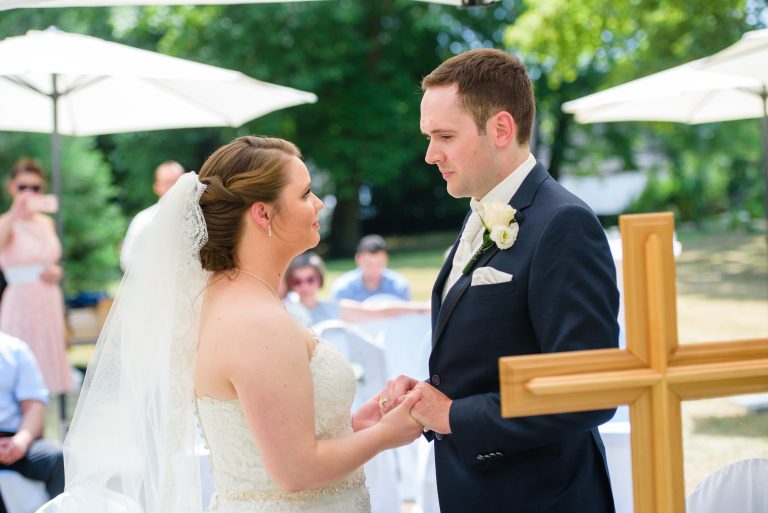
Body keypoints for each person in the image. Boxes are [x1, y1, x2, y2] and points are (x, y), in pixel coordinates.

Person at [37, 136, 423, 513]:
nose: (318, 203)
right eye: (305, 194)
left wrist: (358, 425)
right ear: (263, 213)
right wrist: (387, 435)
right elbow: (294, 470)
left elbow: (268, 441)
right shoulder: (255, 322)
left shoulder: (229, 300)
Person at [381, 48, 620, 513]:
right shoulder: (480, 213)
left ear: (501, 129)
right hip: (475, 489)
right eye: (428, 137)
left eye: (444, 135)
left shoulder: (563, 223)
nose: (431, 155)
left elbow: (591, 390)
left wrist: (454, 415)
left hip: (540, 496)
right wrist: (432, 396)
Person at [0, 158, 72, 397]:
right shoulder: (6, 222)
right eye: (23, 187)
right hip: (20, 299)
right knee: (17, 360)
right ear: (11, 187)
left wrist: (56, 271)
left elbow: (50, 258)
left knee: (48, 360)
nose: (29, 193)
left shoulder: (46, 223)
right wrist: (14, 212)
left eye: (35, 188)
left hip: (48, 297)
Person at [0, 330, 65, 501]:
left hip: (14, 439)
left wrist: (20, 442)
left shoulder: (15, 349)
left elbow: (34, 405)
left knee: (59, 459)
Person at [285, 252, 429, 327]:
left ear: (319, 279)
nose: (304, 286)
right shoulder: (285, 309)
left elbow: (379, 312)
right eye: (297, 281)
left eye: (310, 279)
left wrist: (422, 308)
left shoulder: (332, 308)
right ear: (290, 282)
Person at [119, 160, 184, 271]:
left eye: (177, 181)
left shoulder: (201, 217)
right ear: (157, 187)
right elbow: (127, 259)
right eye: (168, 183)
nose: (173, 187)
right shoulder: (143, 219)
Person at [330, 235, 411, 302]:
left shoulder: (399, 286)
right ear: (358, 259)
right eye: (369, 264)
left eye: (379, 263)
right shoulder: (343, 288)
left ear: (386, 259)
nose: (374, 269)